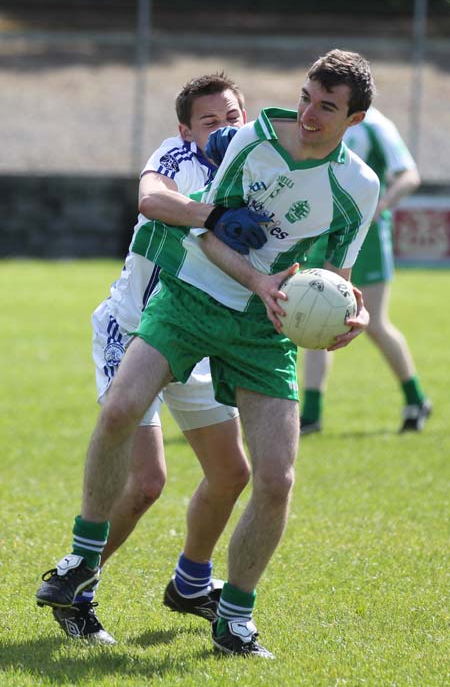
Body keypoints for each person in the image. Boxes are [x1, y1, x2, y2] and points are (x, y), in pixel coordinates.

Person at [36, 49, 379, 658]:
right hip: (189, 297)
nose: (308, 113)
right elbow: (201, 228)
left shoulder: (358, 186)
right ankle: (81, 563)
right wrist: (258, 280)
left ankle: (229, 617)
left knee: (271, 478)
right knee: (124, 421)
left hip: (261, 329)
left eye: (326, 107)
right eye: (305, 97)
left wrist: (351, 312)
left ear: (354, 120)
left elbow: (337, 276)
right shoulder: (245, 143)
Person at [36, 72, 271, 644]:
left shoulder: (261, 175)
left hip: (197, 338)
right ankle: (77, 587)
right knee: (147, 483)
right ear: (186, 130)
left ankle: (191, 583)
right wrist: (211, 214)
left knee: (232, 473)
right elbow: (151, 198)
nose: (223, 128)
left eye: (233, 117)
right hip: (135, 330)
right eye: (209, 120)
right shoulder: (175, 157)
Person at [300, 106, 432, 435]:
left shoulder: (376, 125)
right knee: (313, 317)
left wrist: (381, 205)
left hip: (369, 238)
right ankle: (311, 415)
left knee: (374, 323)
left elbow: (409, 175)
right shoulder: (315, 120)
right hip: (324, 232)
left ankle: (416, 399)